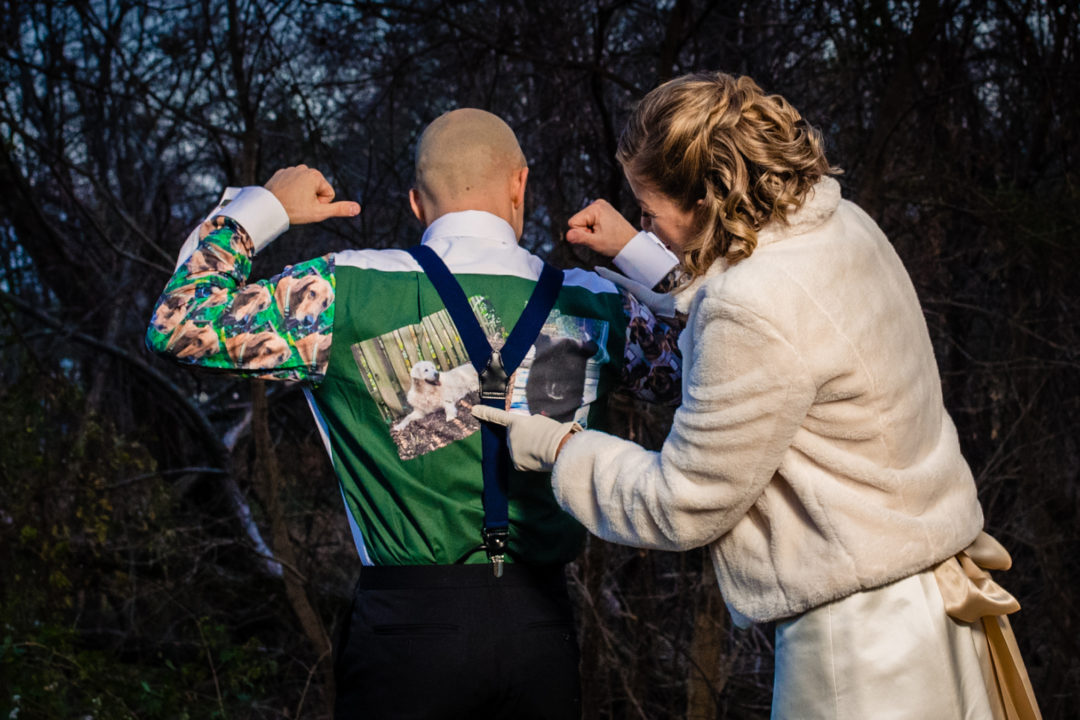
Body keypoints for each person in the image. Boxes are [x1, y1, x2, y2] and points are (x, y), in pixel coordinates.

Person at [472, 73, 1041, 719]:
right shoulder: (839, 225)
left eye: (651, 212)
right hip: (928, 599)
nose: (645, 223)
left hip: (861, 647)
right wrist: (639, 253)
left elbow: (680, 503)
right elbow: (777, 329)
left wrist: (561, 447)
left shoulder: (750, 310)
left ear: (706, 200)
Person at [145, 108, 681, 719]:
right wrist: (642, 254)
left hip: (406, 633)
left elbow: (179, 322)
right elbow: (718, 361)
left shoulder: (343, 290)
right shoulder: (601, 299)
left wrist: (262, 207)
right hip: (542, 633)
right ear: (519, 185)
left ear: (416, 205)